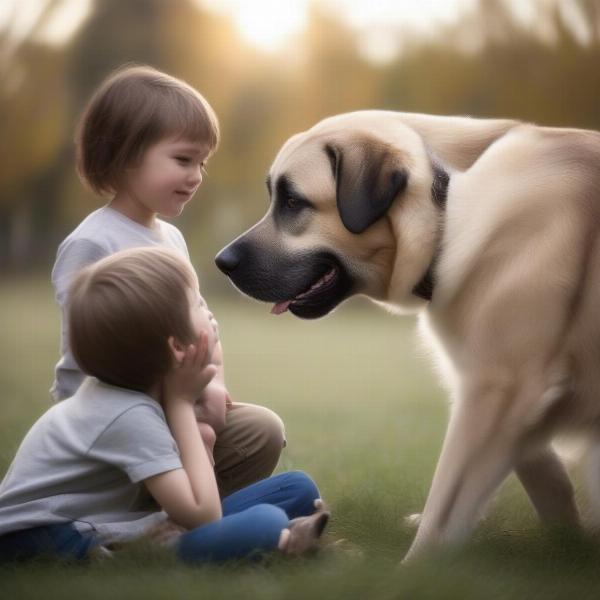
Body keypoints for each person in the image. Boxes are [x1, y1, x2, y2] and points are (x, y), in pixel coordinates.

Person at [0, 248, 329, 562]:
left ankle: (273, 537)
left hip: (105, 520)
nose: (210, 312)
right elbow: (204, 515)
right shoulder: (128, 414)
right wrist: (182, 405)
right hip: (48, 535)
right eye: (197, 304)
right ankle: (270, 540)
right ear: (175, 347)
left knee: (297, 488)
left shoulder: (140, 391)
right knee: (266, 521)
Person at [50, 64, 285, 496]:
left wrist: (214, 384)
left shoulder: (171, 239)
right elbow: (87, 354)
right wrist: (172, 401)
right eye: (183, 159)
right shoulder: (92, 243)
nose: (196, 176)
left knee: (262, 430)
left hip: (179, 406)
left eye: (201, 162)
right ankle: (158, 519)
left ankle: (180, 513)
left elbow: (203, 325)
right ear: (124, 156)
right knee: (199, 441)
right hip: (114, 418)